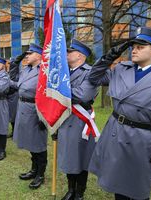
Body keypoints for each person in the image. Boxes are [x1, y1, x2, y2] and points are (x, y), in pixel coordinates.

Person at [88, 27, 151, 200]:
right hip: (115, 133)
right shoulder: (122, 69)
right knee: (117, 185)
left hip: (142, 140)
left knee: (138, 189)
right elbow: (94, 77)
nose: (134, 50)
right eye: (133, 46)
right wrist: (110, 55)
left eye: (140, 46)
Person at [57, 39, 98, 200]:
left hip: (80, 119)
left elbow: (83, 95)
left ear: (80, 55)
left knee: (81, 157)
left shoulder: (90, 72)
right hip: (65, 117)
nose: (66, 54)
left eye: (70, 51)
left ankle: (79, 192)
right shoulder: (64, 71)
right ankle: (71, 189)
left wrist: (57, 92)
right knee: (68, 156)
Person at [11, 43, 48, 190]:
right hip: (23, 107)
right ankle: (33, 169)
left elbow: (47, 94)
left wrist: (43, 116)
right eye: (26, 54)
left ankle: (40, 174)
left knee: (38, 143)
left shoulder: (44, 70)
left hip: (36, 109)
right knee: (30, 142)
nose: (27, 56)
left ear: (39, 55)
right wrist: (16, 60)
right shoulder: (26, 69)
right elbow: (13, 76)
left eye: (29, 53)